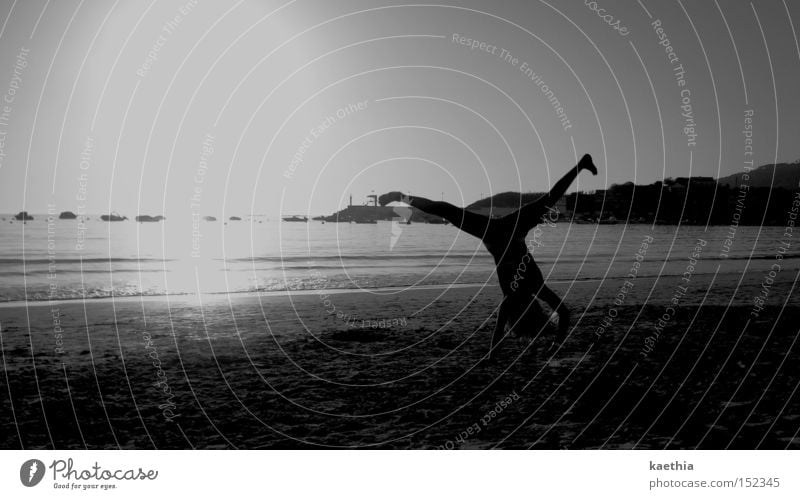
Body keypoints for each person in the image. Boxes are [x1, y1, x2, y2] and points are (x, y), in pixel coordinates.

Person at [379, 154, 598, 358]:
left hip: (502, 232)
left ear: (535, 309)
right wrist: (555, 347)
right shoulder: (525, 291)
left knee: (449, 211)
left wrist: (496, 355)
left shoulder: (520, 294)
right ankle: (400, 196)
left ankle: (400, 196)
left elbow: (502, 332)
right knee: (449, 211)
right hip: (507, 232)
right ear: (528, 311)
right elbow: (556, 316)